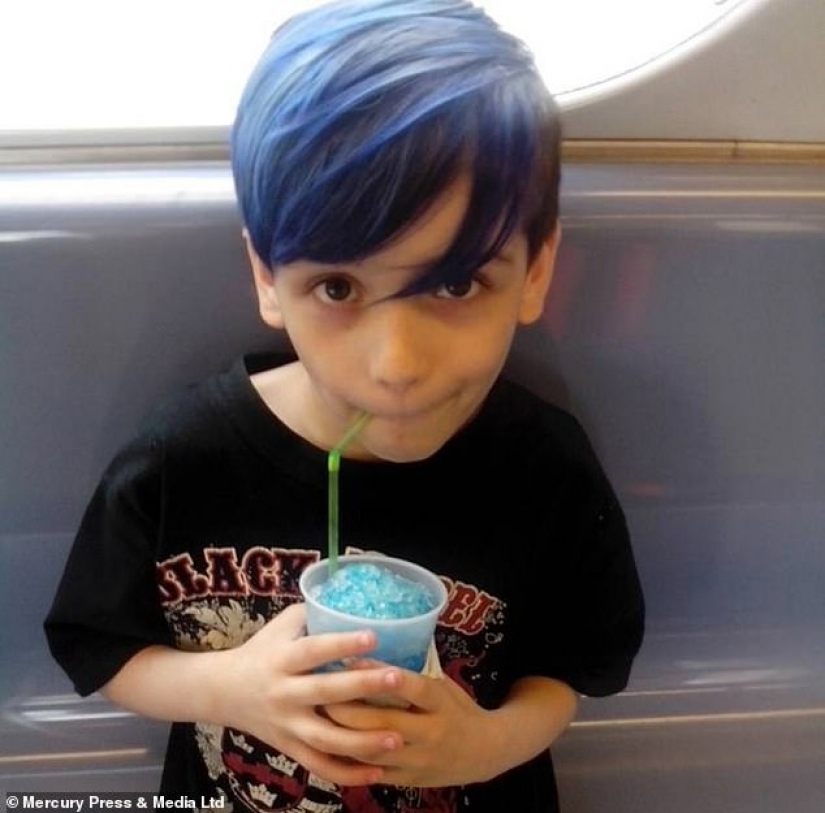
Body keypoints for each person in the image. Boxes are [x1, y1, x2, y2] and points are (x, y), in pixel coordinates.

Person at [45, 1, 645, 811]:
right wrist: (230, 687)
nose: (395, 366)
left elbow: (568, 668)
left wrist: (487, 744)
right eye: (336, 287)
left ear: (535, 270)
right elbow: (101, 648)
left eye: (456, 283)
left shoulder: (545, 471)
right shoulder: (180, 461)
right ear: (267, 278)